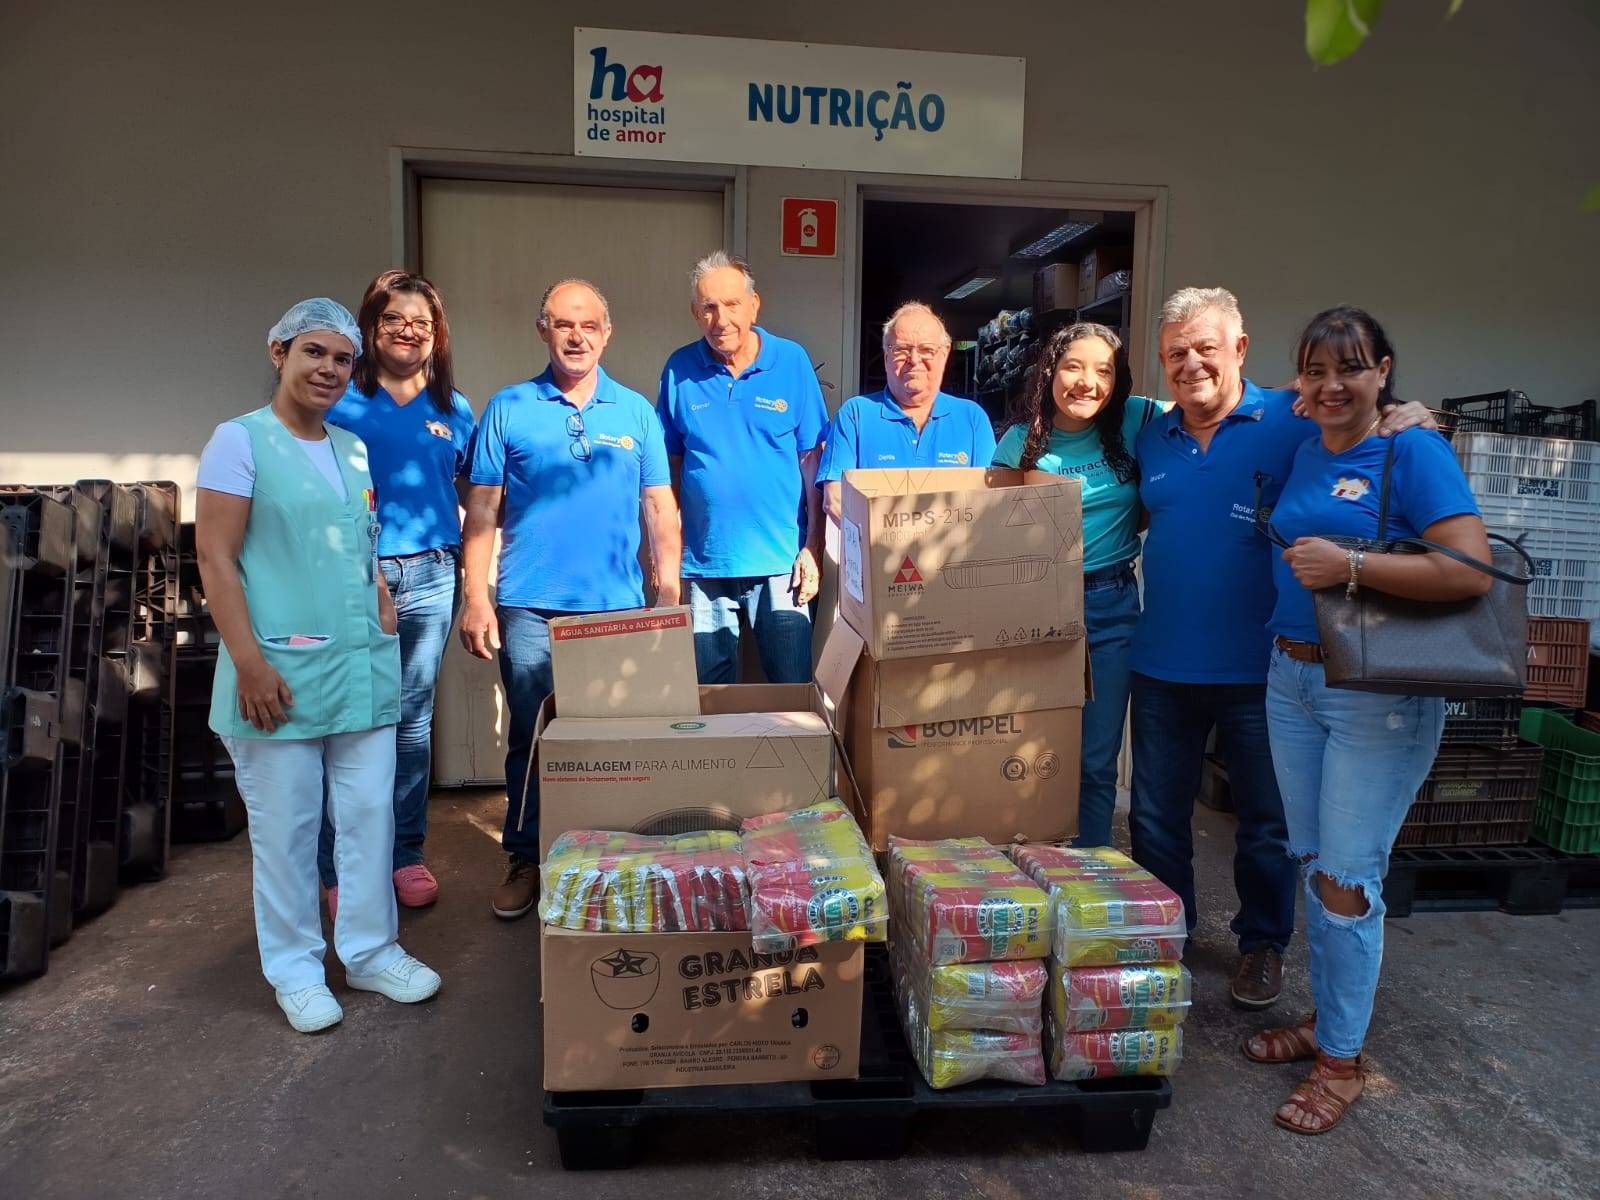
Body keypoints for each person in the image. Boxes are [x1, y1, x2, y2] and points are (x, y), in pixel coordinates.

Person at [1129, 287, 1434, 1010]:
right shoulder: (1152, 436)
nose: (1191, 363)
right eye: (1175, 353)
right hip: (1161, 662)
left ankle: (1262, 946)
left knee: (1266, 825)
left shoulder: (1290, 421)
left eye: (1206, 347)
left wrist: (1416, 414)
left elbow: (1366, 425)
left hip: (1264, 669)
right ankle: (1168, 938)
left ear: (1239, 348)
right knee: (1154, 819)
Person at [1243, 307, 1489, 1134]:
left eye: (1351, 368)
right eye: (1316, 370)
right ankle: (1328, 1020)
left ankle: (1342, 1062)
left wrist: (1349, 563)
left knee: (1348, 880)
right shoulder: (1312, 438)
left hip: (1373, 697)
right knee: (1315, 860)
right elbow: (1280, 393)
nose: (1330, 384)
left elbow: (1471, 571)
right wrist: (1316, 391)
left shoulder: (1413, 449)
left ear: (1385, 368)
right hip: (1292, 680)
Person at [195, 298, 441, 1033]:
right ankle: (297, 970)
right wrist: (246, 662)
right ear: (279, 354)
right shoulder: (238, 442)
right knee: (289, 831)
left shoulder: (351, 448)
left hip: (361, 664)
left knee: (368, 816)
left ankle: (369, 952)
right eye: (314, 353)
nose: (329, 370)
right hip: (277, 672)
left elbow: (357, 537)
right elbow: (215, 555)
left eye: (341, 359)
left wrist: (380, 596)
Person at [459, 279, 682, 920]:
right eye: (562, 324)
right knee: (531, 738)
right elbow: (482, 508)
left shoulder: (636, 412)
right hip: (529, 605)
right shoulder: (509, 407)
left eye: (588, 324)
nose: (576, 336)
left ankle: (606, 863)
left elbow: (659, 507)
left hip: (615, 611)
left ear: (607, 333)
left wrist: (666, 592)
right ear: (544, 331)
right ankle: (527, 856)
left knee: (611, 743)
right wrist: (478, 597)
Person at [315, 270, 475, 919]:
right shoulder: (339, 403)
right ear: (370, 329)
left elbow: (468, 493)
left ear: (437, 335)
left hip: (433, 573)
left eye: (421, 321)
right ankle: (337, 866)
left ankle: (405, 854)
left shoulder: (454, 409)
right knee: (349, 720)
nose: (408, 331)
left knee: (410, 724)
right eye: (393, 320)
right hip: (353, 574)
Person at [994, 322, 1159, 848]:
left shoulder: (1139, 418)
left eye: (1103, 371)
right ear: (1051, 371)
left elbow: (1216, 410)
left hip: (1112, 606)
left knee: (1095, 756)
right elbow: (990, 536)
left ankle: (1089, 865)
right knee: (1030, 749)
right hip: (1037, 608)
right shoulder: (1019, 442)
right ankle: (1030, 859)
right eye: (1074, 366)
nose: (1087, 382)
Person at [656, 251, 828, 684]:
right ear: (695, 313)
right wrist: (667, 559)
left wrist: (813, 547)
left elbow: (813, 463)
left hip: (781, 564)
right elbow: (667, 470)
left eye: (732, 304)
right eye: (709, 307)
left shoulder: (791, 362)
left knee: (792, 693)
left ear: (754, 305)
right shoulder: (679, 369)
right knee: (708, 703)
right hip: (704, 565)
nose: (721, 319)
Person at [817, 302, 997, 519]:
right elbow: (835, 499)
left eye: (926, 350)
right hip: (877, 551)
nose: (914, 360)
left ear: (944, 354)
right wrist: (890, 544)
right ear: (885, 358)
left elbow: (990, 501)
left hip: (954, 552)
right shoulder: (855, 415)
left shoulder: (972, 419)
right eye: (901, 350)